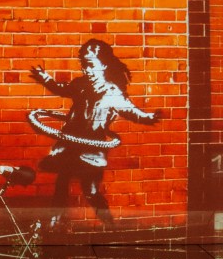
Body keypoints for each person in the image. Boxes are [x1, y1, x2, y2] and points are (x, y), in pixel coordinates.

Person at [30, 39, 160, 227]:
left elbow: (131, 111)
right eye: (84, 65)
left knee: (90, 191)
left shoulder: (112, 92)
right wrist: (46, 79)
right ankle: (53, 223)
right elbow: (61, 89)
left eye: (91, 65)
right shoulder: (79, 85)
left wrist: (149, 117)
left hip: (91, 150)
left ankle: (109, 224)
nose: (87, 70)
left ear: (104, 65)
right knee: (61, 182)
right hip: (70, 145)